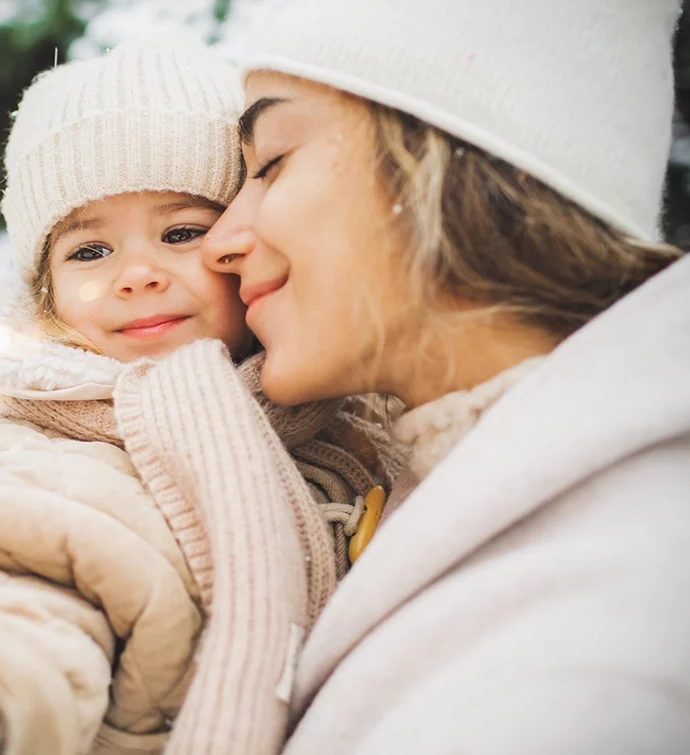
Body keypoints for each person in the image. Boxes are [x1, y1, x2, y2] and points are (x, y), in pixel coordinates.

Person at [0, 39, 403, 755]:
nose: (136, 274)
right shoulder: (52, 459)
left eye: (182, 231)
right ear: (45, 289)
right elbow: (12, 586)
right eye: (89, 250)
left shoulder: (349, 405)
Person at [199, 1, 690, 752]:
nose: (220, 243)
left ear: (466, 156)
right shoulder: (429, 483)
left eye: (271, 162)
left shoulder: (595, 653)